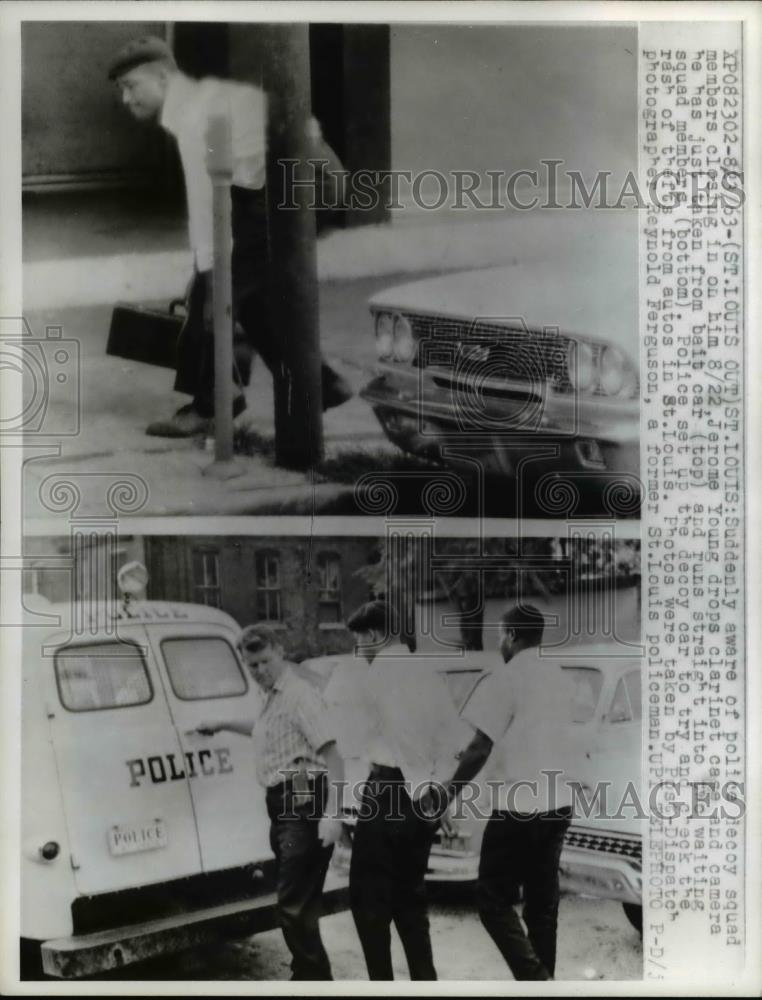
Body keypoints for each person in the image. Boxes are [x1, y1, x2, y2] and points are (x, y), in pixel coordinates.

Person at [107, 35, 352, 438]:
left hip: (300, 181)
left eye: (131, 86)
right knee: (245, 291)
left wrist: (206, 268)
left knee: (213, 289)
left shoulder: (192, 114)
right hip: (297, 177)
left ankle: (212, 405)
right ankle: (320, 386)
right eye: (121, 89)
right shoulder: (196, 103)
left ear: (164, 78)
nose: (125, 99)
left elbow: (205, 204)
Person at [425, 604, 580, 981]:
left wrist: (447, 793)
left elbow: (481, 746)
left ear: (511, 635)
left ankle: (537, 981)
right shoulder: (561, 677)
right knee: (542, 907)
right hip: (557, 804)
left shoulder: (506, 677)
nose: (500, 642)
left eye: (501, 635)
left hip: (518, 807)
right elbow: (534, 736)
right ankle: (544, 983)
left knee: (492, 900)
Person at [196, 622, 345, 980]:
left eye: (264, 661)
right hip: (282, 800)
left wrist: (333, 815)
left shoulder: (299, 695)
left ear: (280, 651)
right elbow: (267, 729)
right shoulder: (271, 696)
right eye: (252, 666)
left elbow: (334, 756)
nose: (259, 671)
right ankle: (309, 977)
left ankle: (312, 979)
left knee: (293, 903)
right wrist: (221, 724)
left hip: (302, 792)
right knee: (299, 902)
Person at [344, 600, 462, 981]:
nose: (358, 649)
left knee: (368, 903)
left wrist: (416, 782)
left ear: (374, 634)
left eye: (359, 640)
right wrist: (436, 795)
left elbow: (357, 741)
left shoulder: (376, 674)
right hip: (421, 798)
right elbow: (451, 742)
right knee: (410, 901)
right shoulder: (428, 671)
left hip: (389, 793)